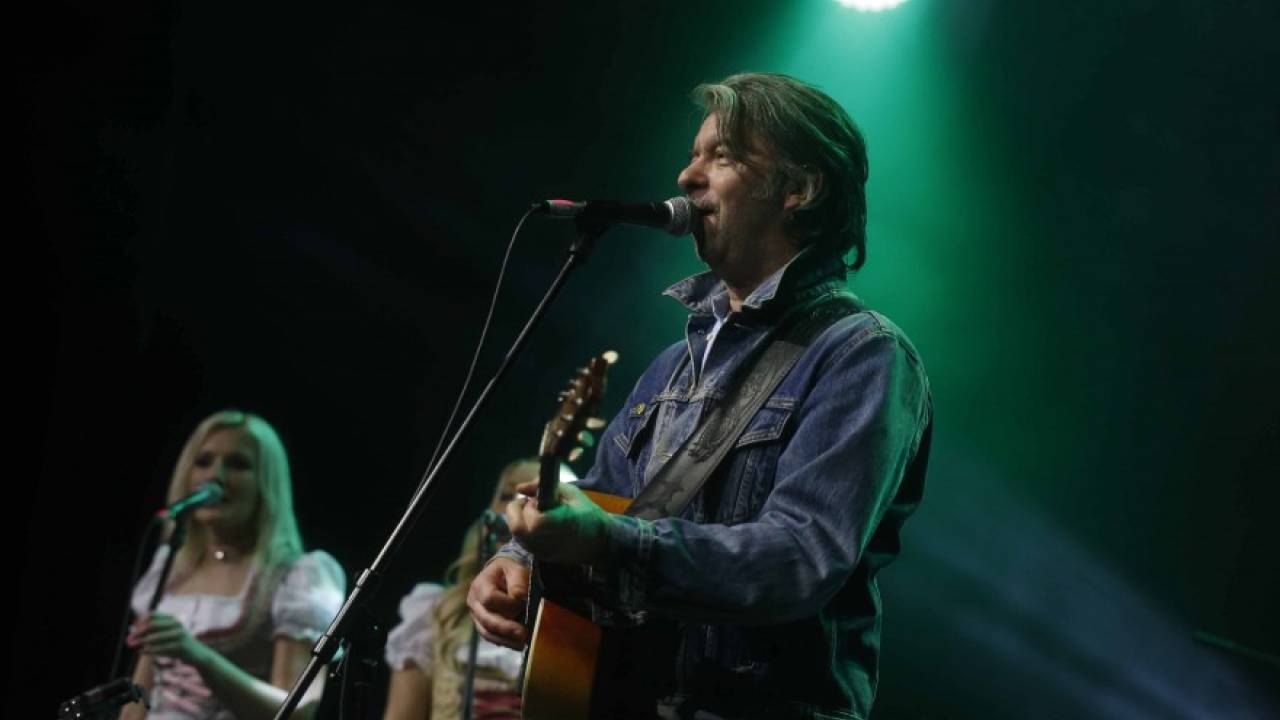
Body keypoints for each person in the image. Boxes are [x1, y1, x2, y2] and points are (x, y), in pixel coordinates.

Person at [467, 72, 933, 720]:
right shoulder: (670, 366)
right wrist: (521, 559)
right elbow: (600, 500)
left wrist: (609, 545)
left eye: (722, 156)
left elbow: (801, 557)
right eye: (692, 155)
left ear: (799, 189)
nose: (687, 176)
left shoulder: (861, 354)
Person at [123, 410, 345, 720]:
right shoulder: (171, 567)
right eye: (203, 462)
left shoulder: (296, 576)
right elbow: (138, 696)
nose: (216, 475)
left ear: (266, 482)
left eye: (238, 464)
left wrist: (198, 655)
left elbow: (298, 710)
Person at [383, 460, 576, 720]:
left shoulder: (580, 625)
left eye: (534, 497)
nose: (515, 506)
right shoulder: (438, 612)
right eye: (505, 496)